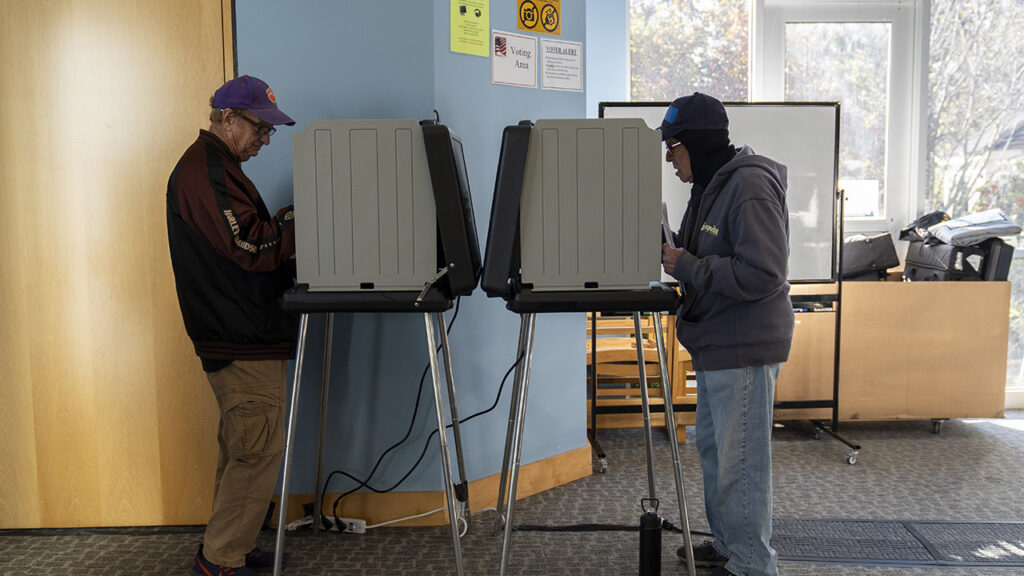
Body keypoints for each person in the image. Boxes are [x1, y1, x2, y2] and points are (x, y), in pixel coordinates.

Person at [166, 75, 298, 576]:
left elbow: (244, 235)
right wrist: (297, 226)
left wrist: (285, 222)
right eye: (260, 130)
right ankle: (222, 559)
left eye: (270, 133)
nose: (265, 141)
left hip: (240, 332)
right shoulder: (206, 172)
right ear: (227, 119)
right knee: (257, 448)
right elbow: (248, 246)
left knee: (245, 444)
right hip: (238, 336)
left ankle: (229, 545)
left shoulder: (218, 167)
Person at [659, 93, 794, 576]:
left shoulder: (749, 186)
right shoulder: (710, 188)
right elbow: (704, 255)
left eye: (673, 146)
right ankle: (728, 542)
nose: (669, 158)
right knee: (717, 450)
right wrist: (676, 255)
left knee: (741, 462)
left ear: (695, 142)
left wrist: (689, 265)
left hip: (744, 342)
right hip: (718, 340)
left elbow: (763, 273)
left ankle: (754, 563)